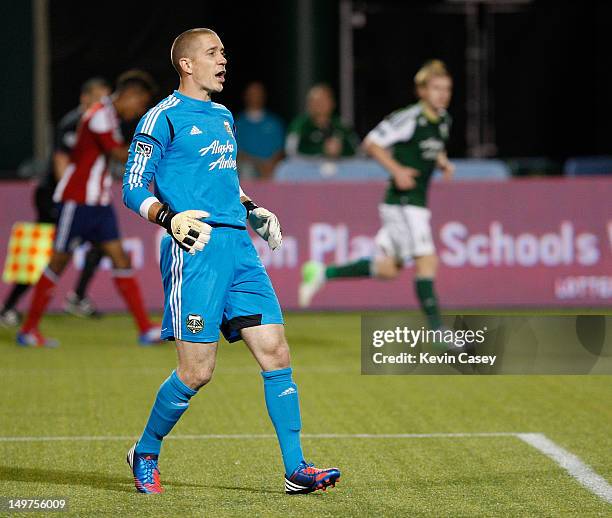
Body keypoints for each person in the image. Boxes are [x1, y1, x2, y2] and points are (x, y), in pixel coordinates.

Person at [122, 28, 340, 495]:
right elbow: (133, 186)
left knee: (276, 351)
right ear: (187, 64)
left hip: (239, 249)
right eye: (213, 52)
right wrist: (168, 218)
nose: (224, 59)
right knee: (197, 372)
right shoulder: (162, 118)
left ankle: (296, 468)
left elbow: (225, 180)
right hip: (194, 251)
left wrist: (252, 208)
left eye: (223, 51)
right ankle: (145, 451)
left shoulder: (223, 116)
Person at [299, 60, 455, 332]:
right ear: (421, 91)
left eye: (447, 89)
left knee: (388, 269)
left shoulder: (443, 120)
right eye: (436, 88)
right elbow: (371, 143)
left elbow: (433, 146)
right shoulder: (409, 117)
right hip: (403, 203)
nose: (443, 94)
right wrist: (396, 170)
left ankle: (323, 273)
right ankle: (438, 333)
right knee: (427, 260)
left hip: (416, 203)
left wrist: (442, 161)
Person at [17, 70, 162, 347]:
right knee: (58, 263)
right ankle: (28, 330)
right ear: (130, 95)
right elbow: (119, 153)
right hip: (78, 201)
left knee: (121, 259)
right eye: (141, 103)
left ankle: (145, 328)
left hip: (99, 203)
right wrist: (158, 151)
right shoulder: (99, 114)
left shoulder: (109, 115)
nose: (139, 110)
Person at [0, 78, 111, 327]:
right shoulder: (74, 123)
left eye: (107, 99)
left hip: (78, 199)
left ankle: (78, 297)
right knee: (44, 254)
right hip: (54, 196)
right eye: (99, 98)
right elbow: (61, 164)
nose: (105, 104)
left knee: (103, 245)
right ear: (85, 98)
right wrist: (69, 199)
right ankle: (8, 307)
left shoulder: (101, 124)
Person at [285, 84, 359, 158]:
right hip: (307, 168)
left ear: (332, 103)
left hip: (342, 167)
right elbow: (290, 151)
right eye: (315, 101)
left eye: (324, 100)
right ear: (308, 104)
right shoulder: (300, 125)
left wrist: (340, 149)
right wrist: (321, 149)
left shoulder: (342, 125)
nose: (320, 105)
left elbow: (357, 150)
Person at [235, 81, 284, 179]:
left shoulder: (274, 122)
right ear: (246, 96)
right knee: (246, 169)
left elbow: (281, 149)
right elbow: (236, 151)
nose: (255, 97)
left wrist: (270, 164)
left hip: (271, 165)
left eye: (258, 94)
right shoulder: (238, 123)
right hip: (249, 165)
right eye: (252, 94)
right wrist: (258, 164)